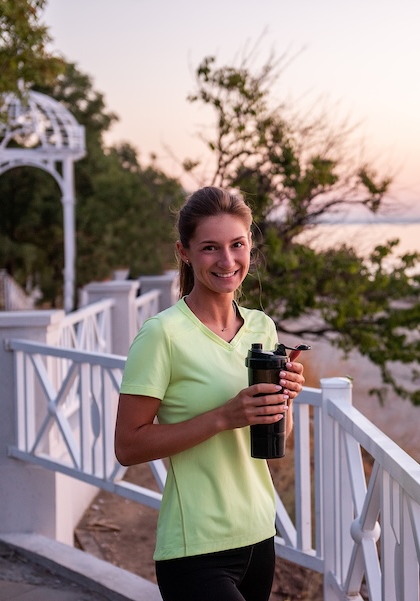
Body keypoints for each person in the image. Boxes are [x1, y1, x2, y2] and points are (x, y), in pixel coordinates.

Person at [114, 186, 305, 601]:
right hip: (195, 548)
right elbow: (127, 446)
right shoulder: (162, 334)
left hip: (259, 534)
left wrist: (285, 399)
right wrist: (223, 417)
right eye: (210, 248)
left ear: (250, 244)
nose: (227, 260)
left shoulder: (262, 327)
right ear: (184, 252)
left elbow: (278, 434)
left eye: (237, 245)